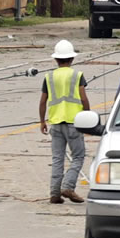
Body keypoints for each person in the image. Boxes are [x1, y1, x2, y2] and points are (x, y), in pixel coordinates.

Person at [39, 39, 91, 204]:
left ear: (56, 59)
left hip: (56, 123)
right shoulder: (77, 75)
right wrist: (88, 117)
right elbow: (84, 98)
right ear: (72, 59)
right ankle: (68, 186)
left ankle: (55, 193)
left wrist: (42, 121)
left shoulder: (49, 77)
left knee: (57, 159)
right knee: (78, 156)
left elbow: (42, 101)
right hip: (74, 123)